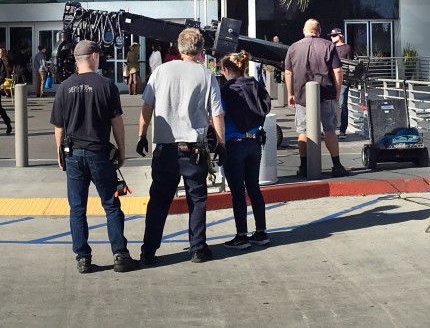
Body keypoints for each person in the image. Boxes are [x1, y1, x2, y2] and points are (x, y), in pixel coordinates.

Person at [136, 28, 227, 264]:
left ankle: (149, 249)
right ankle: (197, 247)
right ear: (199, 50)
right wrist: (221, 142)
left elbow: (147, 107)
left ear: (179, 47)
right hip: (192, 147)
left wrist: (142, 135)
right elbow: (217, 113)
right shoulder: (206, 75)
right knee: (196, 198)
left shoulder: (161, 72)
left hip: (165, 147)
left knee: (158, 200)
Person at [50, 40, 138, 274]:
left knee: (77, 208)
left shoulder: (64, 87)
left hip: (74, 155)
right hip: (99, 153)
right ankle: (120, 254)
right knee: (110, 204)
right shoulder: (106, 85)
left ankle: (83, 258)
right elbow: (116, 121)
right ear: (93, 57)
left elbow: (58, 127)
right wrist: (121, 150)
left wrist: (60, 153)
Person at [218, 51, 271, 250]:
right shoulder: (255, 85)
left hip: (234, 142)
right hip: (254, 142)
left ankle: (241, 235)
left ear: (225, 70)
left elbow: (219, 115)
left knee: (238, 192)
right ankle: (261, 232)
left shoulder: (226, 90)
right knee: (254, 188)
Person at [284, 19, 348, 178]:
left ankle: (304, 166)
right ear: (318, 31)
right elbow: (337, 71)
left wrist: (290, 93)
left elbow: (288, 72)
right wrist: (337, 93)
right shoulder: (328, 46)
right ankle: (337, 165)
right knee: (329, 130)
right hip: (326, 93)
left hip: (302, 95)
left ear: (304, 31)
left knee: (303, 130)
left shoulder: (293, 48)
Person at [330, 28, 353, 138]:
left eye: (334, 35)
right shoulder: (330, 47)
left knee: (342, 105)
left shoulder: (347, 48)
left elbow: (351, 65)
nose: (332, 37)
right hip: (330, 80)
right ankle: (330, 129)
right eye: (331, 35)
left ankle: (342, 130)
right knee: (329, 105)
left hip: (343, 81)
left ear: (340, 36)